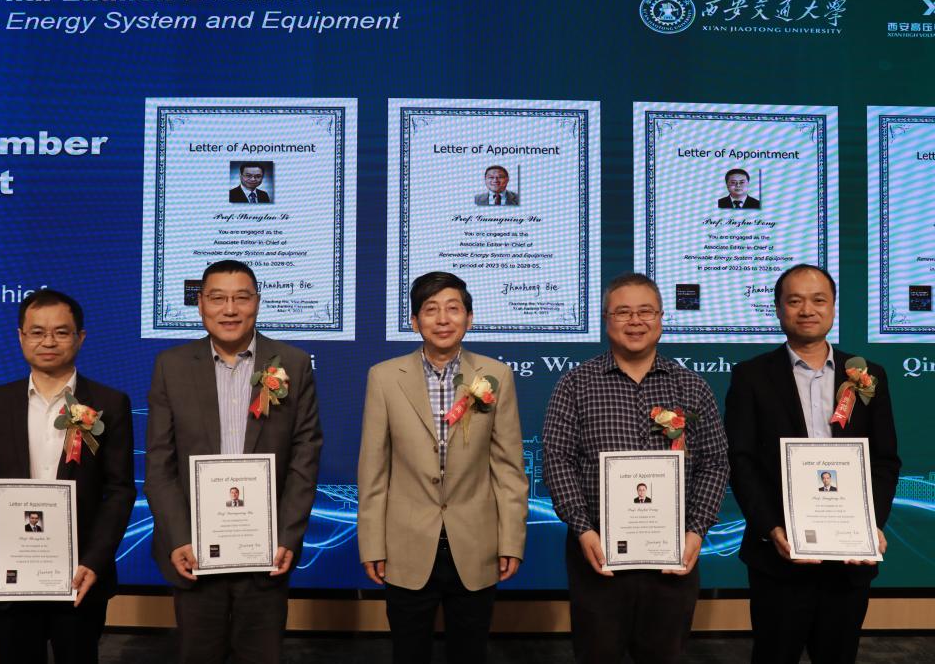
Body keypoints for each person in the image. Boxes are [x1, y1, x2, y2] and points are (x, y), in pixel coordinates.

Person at [542, 273, 729, 664]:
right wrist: (582, 528)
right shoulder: (575, 384)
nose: (635, 321)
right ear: (606, 320)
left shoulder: (691, 386)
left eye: (646, 311)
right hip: (598, 554)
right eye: (622, 312)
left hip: (672, 557)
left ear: (661, 318)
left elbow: (714, 462)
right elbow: (558, 459)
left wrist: (696, 531)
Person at [145, 259, 322, 664]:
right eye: (217, 298)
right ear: (200, 305)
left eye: (241, 298)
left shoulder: (292, 363)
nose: (229, 309)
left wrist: (286, 536)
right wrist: (179, 537)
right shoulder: (171, 366)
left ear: (257, 302)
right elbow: (160, 462)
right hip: (194, 551)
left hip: (266, 551)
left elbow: (305, 456)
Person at [725, 263, 901, 664]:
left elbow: (885, 460)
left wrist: (869, 524)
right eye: (795, 301)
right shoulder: (751, 376)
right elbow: (741, 460)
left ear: (833, 307)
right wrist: (772, 529)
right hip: (778, 556)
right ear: (778, 309)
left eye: (819, 300)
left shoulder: (868, 374)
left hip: (849, 560)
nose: (807, 310)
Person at [358, 271, 528, 664]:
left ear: (470, 318)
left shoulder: (495, 375)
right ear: (414, 321)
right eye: (431, 309)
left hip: (476, 544)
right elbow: (373, 470)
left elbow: (508, 468)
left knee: (470, 654)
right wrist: (372, 544)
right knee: (408, 654)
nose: (442, 319)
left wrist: (511, 541)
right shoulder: (384, 377)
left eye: (453, 308)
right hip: (405, 546)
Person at [0, 289, 136, 664]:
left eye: (61, 332)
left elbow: (120, 491)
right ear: (21, 336)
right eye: (37, 332)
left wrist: (94, 561)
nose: (49, 342)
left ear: (80, 337)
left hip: (79, 576)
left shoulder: (109, 403)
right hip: (10, 573)